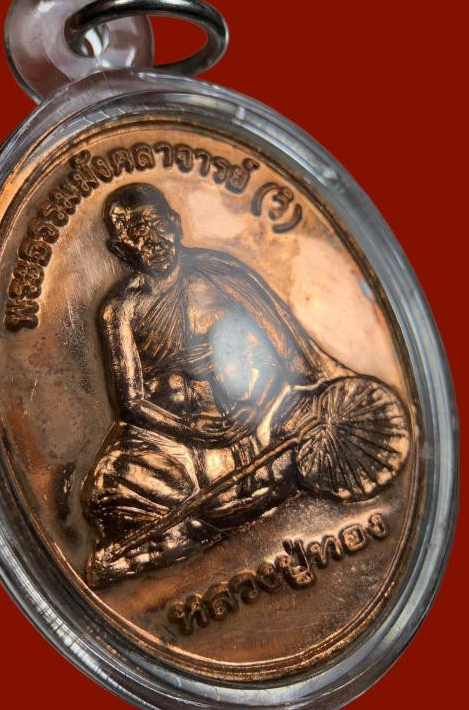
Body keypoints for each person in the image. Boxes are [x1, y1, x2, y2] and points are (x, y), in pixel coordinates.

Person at [82, 183, 361, 587]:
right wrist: (188, 430)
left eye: (158, 224)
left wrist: (253, 405)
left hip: (251, 418)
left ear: (176, 224)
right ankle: (221, 516)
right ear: (120, 248)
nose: (153, 239)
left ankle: (192, 528)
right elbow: (130, 401)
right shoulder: (120, 309)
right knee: (110, 484)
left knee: (309, 431)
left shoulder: (220, 273)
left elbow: (277, 353)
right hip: (170, 438)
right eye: (137, 232)